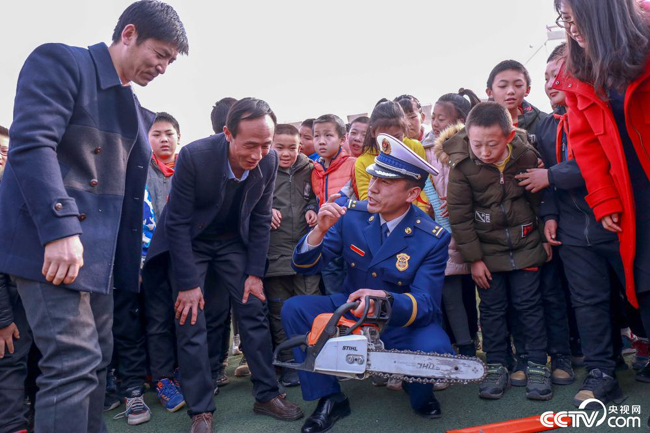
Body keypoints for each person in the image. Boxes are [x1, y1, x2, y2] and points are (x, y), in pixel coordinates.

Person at [0, 2, 188, 432]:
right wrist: (60, 228)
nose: (162, 67)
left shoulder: (131, 103)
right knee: (73, 362)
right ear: (129, 34)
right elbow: (32, 144)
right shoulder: (61, 61)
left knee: (98, 359)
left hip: (99, 258)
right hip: (50, 245)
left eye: (170, 61)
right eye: (159, 54)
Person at [145, 98, 303, 433]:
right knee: (190, 319)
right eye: (250, 145)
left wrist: (255, 274)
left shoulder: (269, 159)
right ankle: (200, 411)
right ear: (228, 134)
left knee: (253, 309)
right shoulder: (195, 156)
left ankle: (267, 394)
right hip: (192, 241)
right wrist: (188, 284)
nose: (258, 155)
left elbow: (260, 218)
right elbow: (177, 223)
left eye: (265, 145)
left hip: (233, 242)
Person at [283, 133, 453, 433]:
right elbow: (304, 266)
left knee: (435, 348)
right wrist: (318, 232)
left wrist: (384, 298)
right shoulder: (353, 216)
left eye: (385, 182)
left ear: (412, 194)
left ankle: (417, 390)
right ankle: (330, 398)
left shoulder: (432, 237)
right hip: (352, 312)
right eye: (373, 177)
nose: (372, 188)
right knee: (295, 309)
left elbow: (426, 303)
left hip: (400, 322)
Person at [553, 0, 650, 405]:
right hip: (633, 200)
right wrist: (604, 199)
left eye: (576, 17)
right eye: (565, 19)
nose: (571, 28)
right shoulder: (579, 72)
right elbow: (586, 145)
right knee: (644, 288)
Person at [445, 102, 553, 401]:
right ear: (468, 136)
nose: (484, 151)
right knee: (492, 311)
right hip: (486, 255)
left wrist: (544, 235)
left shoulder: (526, 155)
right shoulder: (461, 166)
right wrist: (474, 260)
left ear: (508, 137)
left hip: (526, 246)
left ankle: (536, 363)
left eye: (492, 144)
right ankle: (496, 364)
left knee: (530, 307)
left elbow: (538, 200)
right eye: (477, 144)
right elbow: (460, 217)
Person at [425, 89, 481, 360]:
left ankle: (473, 340)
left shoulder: (473, 146)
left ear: (460, 120)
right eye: (433, 117)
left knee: (474, 289)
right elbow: (426, 187)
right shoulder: (426, 149)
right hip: (442, 231)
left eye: (441, 118)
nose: (435, 123)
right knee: (451, 291)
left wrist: (460, 202)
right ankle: (463, 346)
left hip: (471, 227)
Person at [139, 112, 188, 416]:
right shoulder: (138, 170)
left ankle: (187, 373)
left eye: (169, 133)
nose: (164, 139)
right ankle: (163, 379)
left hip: (185, 258)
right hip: (151, 260)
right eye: (156, 134)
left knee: (187, 317)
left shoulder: (188, 167)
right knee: (157, 321)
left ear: (178, 137)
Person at [265, 124, 320, 388]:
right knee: (279, 311)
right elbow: (248, 202)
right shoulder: (261, 168)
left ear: (300, 147)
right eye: (279, 147)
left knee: (310, 304)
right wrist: (265, 211)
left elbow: (317, 196)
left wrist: (312, 208)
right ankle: (288, 361)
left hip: (305, 252)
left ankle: (315, 357)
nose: (286, 153)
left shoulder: (310, 169)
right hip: (274, 253)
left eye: (292, 147)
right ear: (270, 146)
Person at [354, 100, 430, 214]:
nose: (391, 143)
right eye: (384, 138)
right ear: (373, 132)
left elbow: (424, 187)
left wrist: (418, 216)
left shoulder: (414, 147)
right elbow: (367, 199)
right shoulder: (362, 162)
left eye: (397, 137)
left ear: (404, 130)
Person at [486, 60, 548, 136]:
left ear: (527, 90)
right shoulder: (479, 123)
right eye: (503, 86)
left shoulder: (544, 122)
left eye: (518, 85)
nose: (511, 91)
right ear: (490, 92)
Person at [311, 114, 357, 205]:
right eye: (316, 136)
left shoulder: (353, 165)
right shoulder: (314, 170)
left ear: (342, 139)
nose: (321, 142)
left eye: (328, 135)